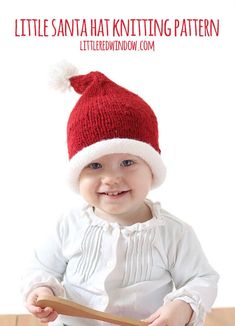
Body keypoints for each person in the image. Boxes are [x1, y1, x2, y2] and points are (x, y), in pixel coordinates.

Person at [22, 63, 219, 326]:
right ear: (77, 174)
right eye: (95, 165)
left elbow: (202, 279)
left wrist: (183, 305)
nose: (112, 178)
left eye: (127, 163)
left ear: (151, 169)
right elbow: (41, 268)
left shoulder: (174, 233)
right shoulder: (68, 225)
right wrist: (42, 291)